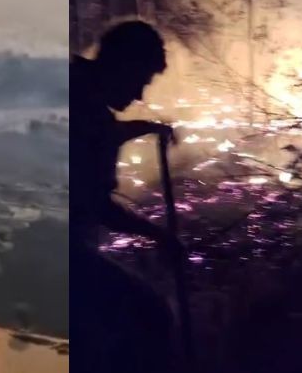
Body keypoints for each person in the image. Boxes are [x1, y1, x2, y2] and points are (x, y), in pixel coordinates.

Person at [71, 20, 183, 373]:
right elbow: (95, 204)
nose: (139, 96)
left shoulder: (74, 86)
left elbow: (97, 133)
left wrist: (143, 128)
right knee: (148, 317)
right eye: (141, 80)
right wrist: (158, 235)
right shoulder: (84, 108)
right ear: (122, 65)